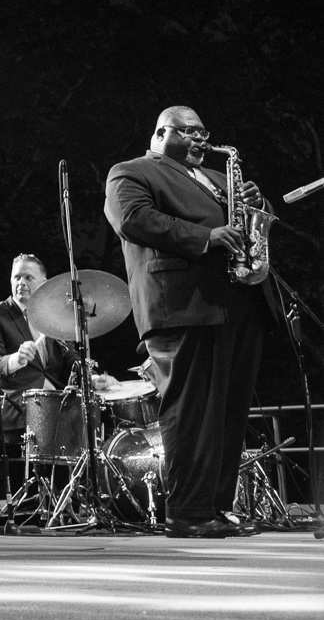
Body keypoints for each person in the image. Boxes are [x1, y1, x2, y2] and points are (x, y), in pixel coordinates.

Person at [104, 106, 273, 539]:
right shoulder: (132, 171)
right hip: (183, 305)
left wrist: (258, 206)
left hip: (237, 303)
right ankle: (188, 513)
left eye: (204, 132)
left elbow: (251, 222)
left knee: (229, 414)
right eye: (191, 132)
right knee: (192, 410)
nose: (201, 140)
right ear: (163, 131)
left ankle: (216, 507)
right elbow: (134, 219)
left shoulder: (219, 180)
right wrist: (205, 237)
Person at [0, 254, 116, 436]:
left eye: (28, 277)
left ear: (44, 283)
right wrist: (16, 359)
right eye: (17, 277)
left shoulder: (52, 315)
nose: (22, 283)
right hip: (17, 413)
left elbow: (70, 356)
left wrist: (92, 379)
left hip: (57, 410)